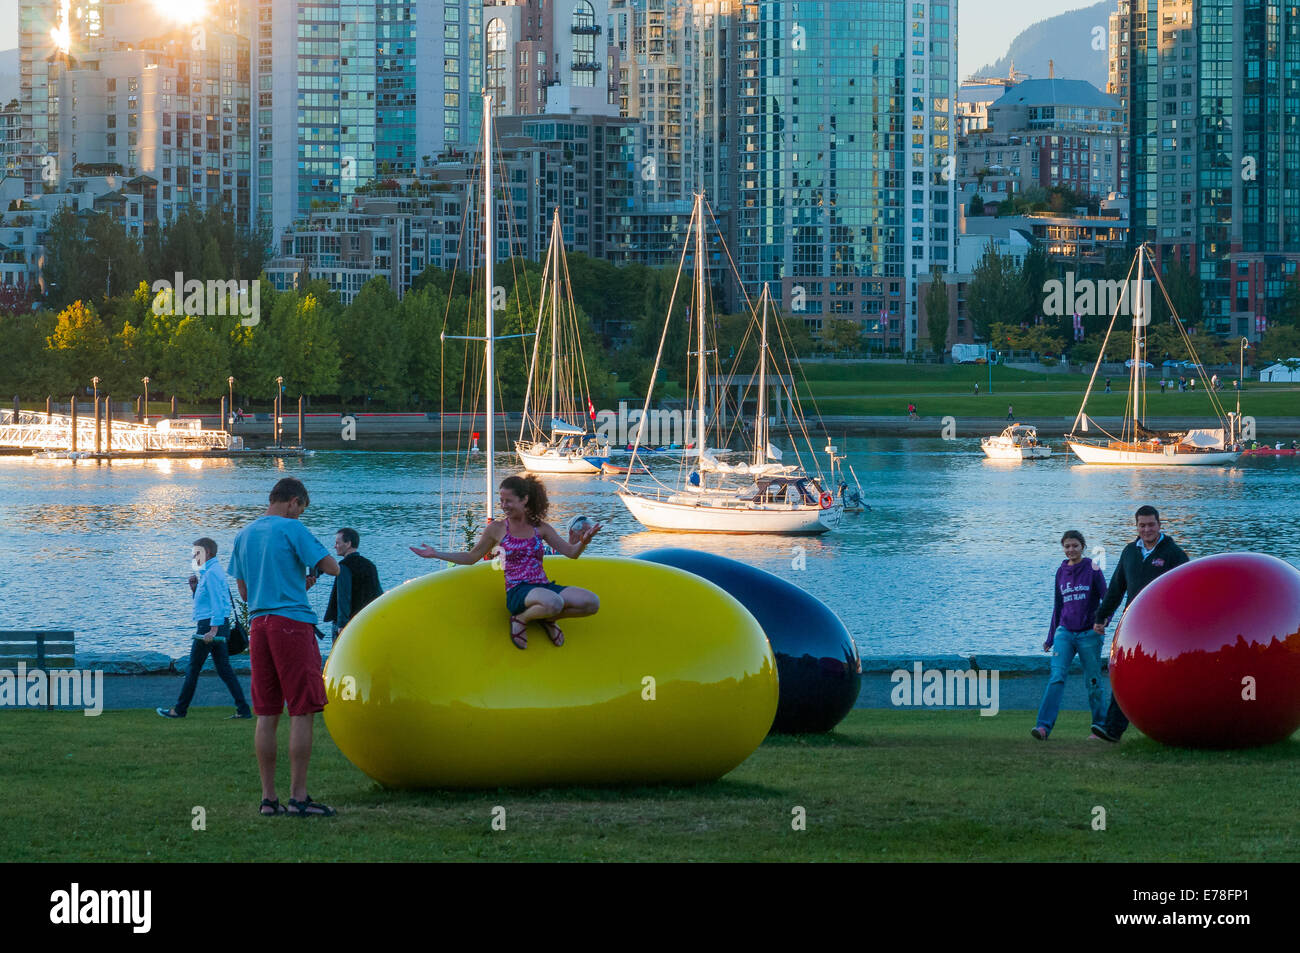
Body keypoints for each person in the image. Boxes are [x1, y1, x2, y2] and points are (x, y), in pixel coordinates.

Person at [229, 477, 340, 817]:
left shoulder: (243, 535)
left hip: (259, 627)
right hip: (291, 625)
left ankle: (268, 799)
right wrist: (311, 576)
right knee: (302, 710)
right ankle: (299, 796)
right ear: (294, 502)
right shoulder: (294, 529)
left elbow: (246, 594)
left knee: (266, 712)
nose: (299, 515)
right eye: (301, 510)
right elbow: (332, 567)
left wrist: (294, 581)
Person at [410, 475, 601, 649]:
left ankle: (548, 619)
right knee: (554, 602)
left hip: (543, 587)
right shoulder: (497, 529)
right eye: (501, 500)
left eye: (508, 500)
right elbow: (471, 557)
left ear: (524, 500)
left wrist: (584, 542)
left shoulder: (540, 528)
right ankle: (520, 619)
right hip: (518, 591)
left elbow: (571, 553)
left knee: (591, 602)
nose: (503, 505)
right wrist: (436, 553)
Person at [1090, 505, 1189, 743]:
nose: (1147, 529)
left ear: (1159, 525)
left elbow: (1187, 589)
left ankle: (1177, 726)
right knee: (1126, 673)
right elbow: (1116, 589)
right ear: (1136, 526)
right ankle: (1112, 731)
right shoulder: (1129, 552)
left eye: (1151, 525)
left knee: (1165, 677)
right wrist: (1101, 617)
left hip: (1164, 627)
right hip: (1132, 625)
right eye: (1142, 525)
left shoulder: (1174, 554)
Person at [157, 538, 251, 720]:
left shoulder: (213, 573)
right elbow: (207, 602)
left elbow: (217, 603)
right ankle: (243, 709)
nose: (194, 556)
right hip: (214, 623)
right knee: (224, 670)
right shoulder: (209, 572)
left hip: (210, 626)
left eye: (196, 553)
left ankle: (179, 710)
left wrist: (213, 630)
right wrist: (195, 588)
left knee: (193, 668)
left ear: (207, 552)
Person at [1031, 531, 1108, 740]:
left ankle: (1100, 728)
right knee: (1056, 677)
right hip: (1064, 632)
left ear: (1083, 546)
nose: (1071, 550)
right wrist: (1049, 638)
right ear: (1063, 548)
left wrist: (1103, 621)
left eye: (1075, 545)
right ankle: (1043, 727)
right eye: (1067, 546)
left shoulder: (1092, 568)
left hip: (1089, 634)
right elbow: (1058, 606)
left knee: (1093, 680)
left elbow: (1107, 597)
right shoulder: (1060, 571)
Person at [323, 528, 383, 647]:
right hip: (366, 620)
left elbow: (343, 597)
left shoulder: (343, 567)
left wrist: (342, 625)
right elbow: (378, 595)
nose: (335, 546)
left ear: (348, 543)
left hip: (348, 623)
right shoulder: (370, 565)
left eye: (337, 543)